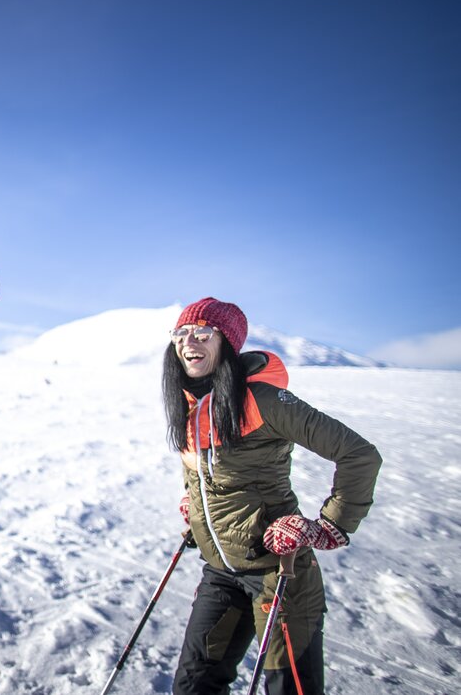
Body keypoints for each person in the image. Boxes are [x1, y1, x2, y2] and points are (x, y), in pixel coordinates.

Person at [163, 297, 382, 695]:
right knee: (194, 685)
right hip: (221, 573)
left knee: (289, 689)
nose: (188, 341)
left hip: (279, 573)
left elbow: (359, 455)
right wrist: (197, 509)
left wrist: (328, 526)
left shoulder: (263, 400)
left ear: (226, 343)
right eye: (181, 332)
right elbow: (205, 474)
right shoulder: (190, 402)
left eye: (202, 333)